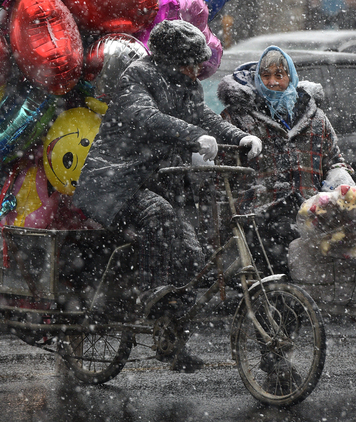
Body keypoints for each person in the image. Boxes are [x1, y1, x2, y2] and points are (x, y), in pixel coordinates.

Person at [72, 19, 262, 372]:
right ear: (169, 59)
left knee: (192, 255)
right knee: (158, 215)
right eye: (189, 62)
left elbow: (205, 116)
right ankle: (148, 293)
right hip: (115, 182)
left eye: (197, 63)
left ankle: (173, 339)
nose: (195, 70)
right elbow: (145, 117)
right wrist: (192, 136)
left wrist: (238, 137)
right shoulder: (137, 77)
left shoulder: (185, 85)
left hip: (158, 181)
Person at [216, 46, 354, 267]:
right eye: (266, 76)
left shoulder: (316, 118)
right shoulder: (236, 117)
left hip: (310, 216)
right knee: (270, 285)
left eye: (279, 75)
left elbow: (334, 160)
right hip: (258, 216)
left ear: (291, 78)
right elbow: (221, 168)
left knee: (305, 284)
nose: (272, 82)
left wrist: (340, 179)